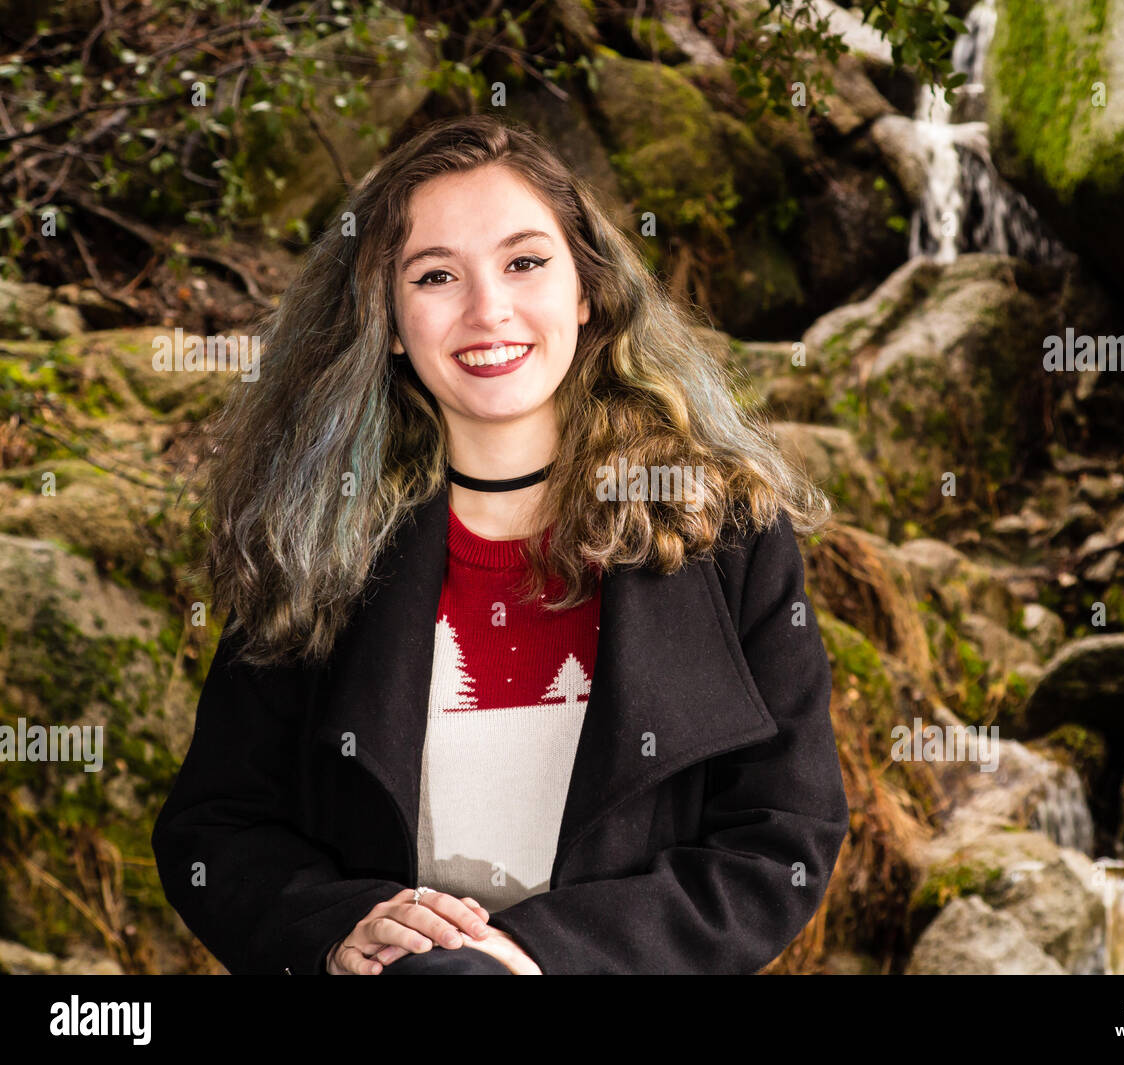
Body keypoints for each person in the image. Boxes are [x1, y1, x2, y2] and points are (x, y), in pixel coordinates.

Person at [151, 113, 849, 975]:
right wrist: (338, 928)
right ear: (391, 321)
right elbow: (213, 831)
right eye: (437, 275)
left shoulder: (724, 529)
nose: (489, 310)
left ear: (586, 290)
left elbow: (782, 838)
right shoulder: (316, 538)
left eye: (525, 262)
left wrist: (535, 955)